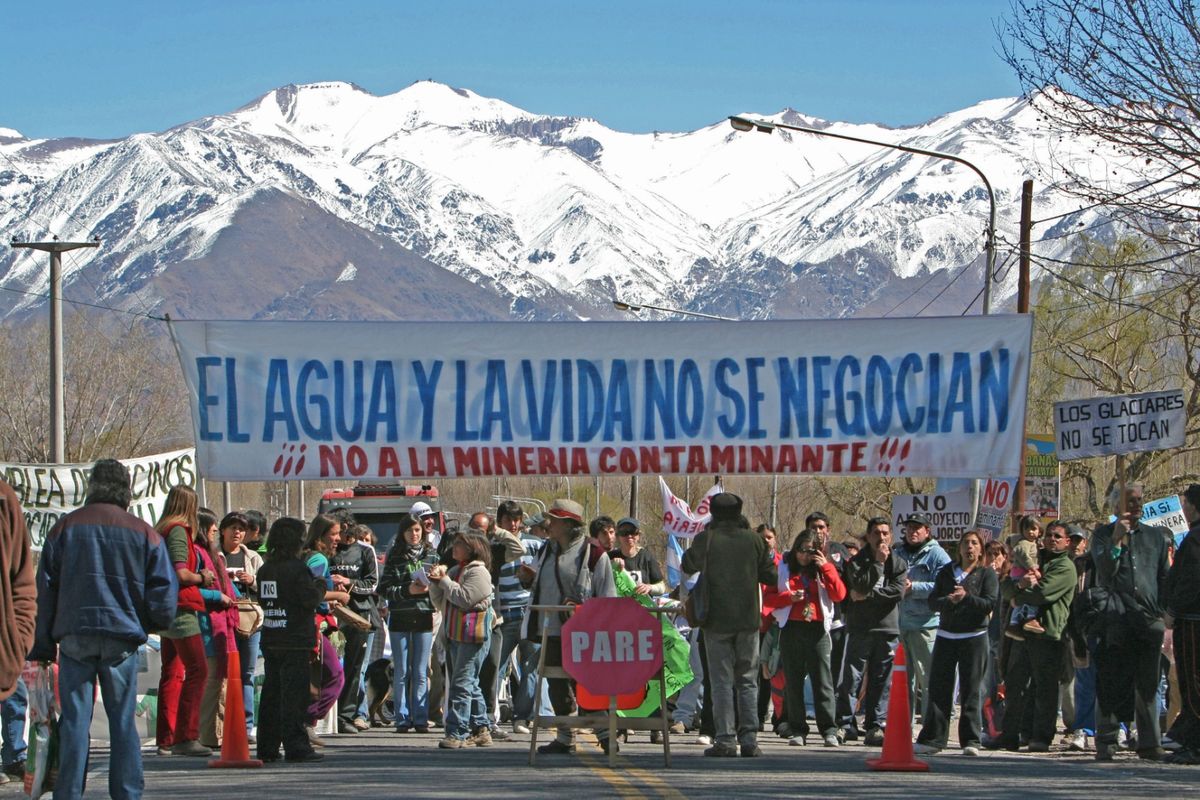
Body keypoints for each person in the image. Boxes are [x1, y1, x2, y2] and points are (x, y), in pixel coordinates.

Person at [30, 459, 177, 799]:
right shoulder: (144, 533)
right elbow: (163, 592)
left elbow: (45, 590)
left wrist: (43, 645)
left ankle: (68, 792)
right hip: (122, 636)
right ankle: (126, 792)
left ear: (91, 486)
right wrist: (151, 624)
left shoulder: (64, 528)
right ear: (126, 490)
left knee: (74, 721)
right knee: (123, 722)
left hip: (74, 634)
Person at [680, 493, 777, 758]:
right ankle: (750, 740)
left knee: (721, 682)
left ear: (713, 513)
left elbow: (687, 564)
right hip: (748, 621)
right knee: (748, 681)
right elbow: (771, 575)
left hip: (716, 621)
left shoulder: (707, 538)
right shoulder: (754, 540)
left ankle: (725, 740)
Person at [525, 499, 617, 755]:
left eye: (553, 520)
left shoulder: (594, 553)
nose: (548, 524)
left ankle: (606, 735)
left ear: (568, 525)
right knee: (556, 683)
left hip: (585, 632)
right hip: (551, 629)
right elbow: (537, 579)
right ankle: (566, 737)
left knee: (587, 683)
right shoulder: (546, 549)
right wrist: (527, 578)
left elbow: (607, 596)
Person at [1090, 483, 1172, 762]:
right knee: (1112, 681)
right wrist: (1116, 540)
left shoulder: (1155, 537)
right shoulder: (1102, 535)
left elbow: (1164, 577)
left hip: (1148, 620)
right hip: (1116, 618)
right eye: (1130, 501)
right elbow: (1105, 571)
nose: (1136, 505)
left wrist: (1163, 614)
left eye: (1139, 500)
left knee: (1148, 684)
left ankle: (1150, 743)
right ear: (1116, 506)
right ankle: (1106, 741)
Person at [989, 520, 1077, 752]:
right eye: (1049, 535)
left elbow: (1042, 593)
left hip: (1048, 635)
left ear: (1067, 542)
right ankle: (1011, 734)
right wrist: (1018, 587)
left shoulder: (1065, 567)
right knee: (1015, 685)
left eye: (1058, 536)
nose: (1052, 539)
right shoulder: (1034, 558)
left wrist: (1018, 595)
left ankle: (1041, 737)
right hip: (1022, 633)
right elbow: (1006, 587)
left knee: (1044, 688)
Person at [914, 530, 999, 756]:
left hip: (974, 637)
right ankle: (933, 739)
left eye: (974, 543)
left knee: (972, 689)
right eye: (965, 543)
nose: (969, 547)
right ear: (959, 548)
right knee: (939, 687)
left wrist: (967, 598)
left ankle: (971, 740)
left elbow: (989, 603)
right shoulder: (947, 572)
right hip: (946, 635)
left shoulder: (986, 574)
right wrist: (949, 601)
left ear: (980, 550)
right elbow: (933, 602)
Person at [763, 529, 847, 747]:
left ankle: (829, 729)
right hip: (791, 628)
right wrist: (788, 597)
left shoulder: (822, 569)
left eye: (809, 551)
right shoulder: (783, 567)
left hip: (817, 629)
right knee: (793, 681)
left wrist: (825, 567)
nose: (804, 555)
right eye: (800, 550)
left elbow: (839, 594)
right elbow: (768, 598)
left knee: (823, 681)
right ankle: (798, 729)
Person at [256, 517, 327, 763]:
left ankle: (267, 747)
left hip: (272, 635)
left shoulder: (265, 569)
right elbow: (309, 600)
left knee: (271, 695)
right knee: (294, 696)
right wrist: (320, 586)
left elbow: (264, 600)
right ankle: (296, 746)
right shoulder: (297, 569)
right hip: (295, 638)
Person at [155, 484, 214, 757]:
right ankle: (186, 736)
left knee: (172, 673)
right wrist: (203, 577)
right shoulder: (179, 531)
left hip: (166, 608)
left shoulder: (162, 529)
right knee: (198, 669)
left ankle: (167, 737)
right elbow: (181, 573)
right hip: (181, 609)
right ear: (191, 505)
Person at [840, 516, 906, 746]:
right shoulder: (857, 561)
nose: (881, 537)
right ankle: (846, 724)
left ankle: (875, 725)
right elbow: (859, 585)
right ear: (868, 536)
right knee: (852, 678)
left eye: (885, 533)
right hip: (860, 628)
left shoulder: (898, 562)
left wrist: (867, 596)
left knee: (881, 680)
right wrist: (877, 564)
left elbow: (897, 593)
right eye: (876, 533)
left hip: (887, 629)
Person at [429, 532, 495, 749]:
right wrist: (436, 583)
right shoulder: (456, 571)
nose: (454, 548)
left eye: (459, 544)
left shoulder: (479, 572)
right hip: (455, 634)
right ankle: (481, 729)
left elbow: (465, 599)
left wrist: (445, 582)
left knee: (461, 684)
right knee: (469, 683)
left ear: (473, 548)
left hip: (472, 637)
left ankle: (457, 732)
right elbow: (441, 602)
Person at [378, 513, 439, 734]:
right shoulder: (395, 555)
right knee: (402, 670)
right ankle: (402, 718)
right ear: (402, 533)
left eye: (417, 530)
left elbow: (440, 585)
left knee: (421, 670)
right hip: (400, 616)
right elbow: (384, 589)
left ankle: (421, 718)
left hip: (423, 615)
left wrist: (433, 584)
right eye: (409, 530)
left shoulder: (432, 555)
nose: (414, 534)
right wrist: (407, 590)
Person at [492, 501, 546, 734]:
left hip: (530, 613)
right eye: (508, 520)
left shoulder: (536, 544)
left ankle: (521, 717)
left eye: (516, 520)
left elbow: (546, 571)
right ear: (500, 522)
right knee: (496, 666)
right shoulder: (493, 546)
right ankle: (489, 716)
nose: (513, 524)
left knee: (530, 667)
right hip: (504, 615)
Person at [896, 513, 951, 722]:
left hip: (926, 626)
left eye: (917, 528)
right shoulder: (897, 552)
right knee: (902, 681)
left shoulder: (938, 555)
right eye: (909, 527)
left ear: (927, 531)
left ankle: (930, 727)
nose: (912, 531)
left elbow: (945, 585)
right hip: (900, 625)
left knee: (928, 680)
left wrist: (915, 587)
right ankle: (903, 728)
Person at [303, 514, 351, 746]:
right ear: (320, 537)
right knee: (335, 676)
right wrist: (338, 595)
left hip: (310, 624)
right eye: (333, 534)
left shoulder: (309, 557)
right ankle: (307, 721)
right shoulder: (319, 559)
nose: (338, 539)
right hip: (314, 626)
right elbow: (310, 591)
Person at [330, 513, 379, 735]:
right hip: (332, 614)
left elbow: (373, 584)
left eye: (340, 531)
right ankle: (325, 715)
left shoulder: (365, 551)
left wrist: (348, 582)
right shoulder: (329, 550)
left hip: (359, 614)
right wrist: (332, 585)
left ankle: (346, 715)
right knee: (332, 665)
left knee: (354, 667)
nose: (338, 537)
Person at [0, 478, 35, 784]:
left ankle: (14, 754)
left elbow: (22, 580)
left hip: (4, 642)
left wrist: (19, 638)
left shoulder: (4, 499)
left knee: (15, 694)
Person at [220, 510, 264, 743]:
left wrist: (252, 580)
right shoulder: (215, 556)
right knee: (223, 674)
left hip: (250, 621)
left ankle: (246, 727)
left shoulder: (253, 558)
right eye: (233, 528)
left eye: (241, 529)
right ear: (223, 531)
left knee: (247, 674)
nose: (237, 533)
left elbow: (266, 586)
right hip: (223, 620)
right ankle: (223, 725)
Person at [196, 509, 238, 750]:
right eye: (212, 526)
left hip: (222, 625)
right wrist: (217, 596)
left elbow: (227, 586)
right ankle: (208, 734)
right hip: (208, 625)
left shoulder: (213, 555)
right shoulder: (197, 553)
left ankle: (218, 733)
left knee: (221, 681)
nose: (215, 529)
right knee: (213, 681)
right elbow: (188, 589)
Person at [1166, 484, 1200, 764]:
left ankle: (1195, 742)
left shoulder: (1196, 538)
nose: (1183, 508)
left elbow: (1191, 579)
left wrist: (1174, 609)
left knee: (1192, 680)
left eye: (1186, 504)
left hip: (1192, 620)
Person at [1007, 516, 1046, 636]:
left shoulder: (1033, 543)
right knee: (1033, 592)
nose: (1030, 531)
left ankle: (1014, 623)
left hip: (1022, 572)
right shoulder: (1024, 543)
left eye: (1033, 529)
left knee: (1021, 599)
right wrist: (1033, 568)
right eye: (1027, 529)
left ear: (1040, 531)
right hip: (1022, 573)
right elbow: (1022, 554)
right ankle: (1030, 618)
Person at [609, 517, 667, 597]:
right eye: (624, 532)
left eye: (633, 532)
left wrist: (649, 587)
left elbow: (662, 588)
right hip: (617, 604)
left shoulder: (646, 557)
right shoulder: (609, 557)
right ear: (618, 536)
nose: (629, 536)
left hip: (643, 604)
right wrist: (611, 565)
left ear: (638, 535)